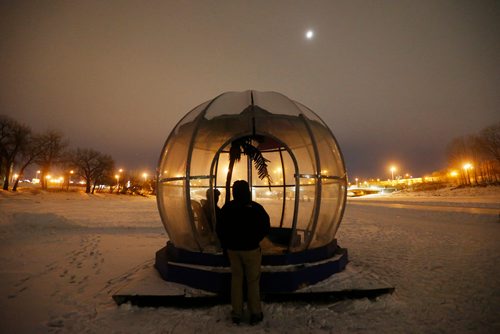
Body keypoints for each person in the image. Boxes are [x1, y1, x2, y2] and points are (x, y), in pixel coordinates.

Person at [216, 180, 270, 325]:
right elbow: (265, 227)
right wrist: (255, 239)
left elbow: (220, 228)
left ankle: (237, 313)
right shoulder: (256, 208)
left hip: (233, 250)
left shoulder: (227, 208)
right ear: (248, 191)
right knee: (253, 282)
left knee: (236, 280)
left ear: (234, 192)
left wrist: (226, 244)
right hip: (251, 250)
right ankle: (255, 313)